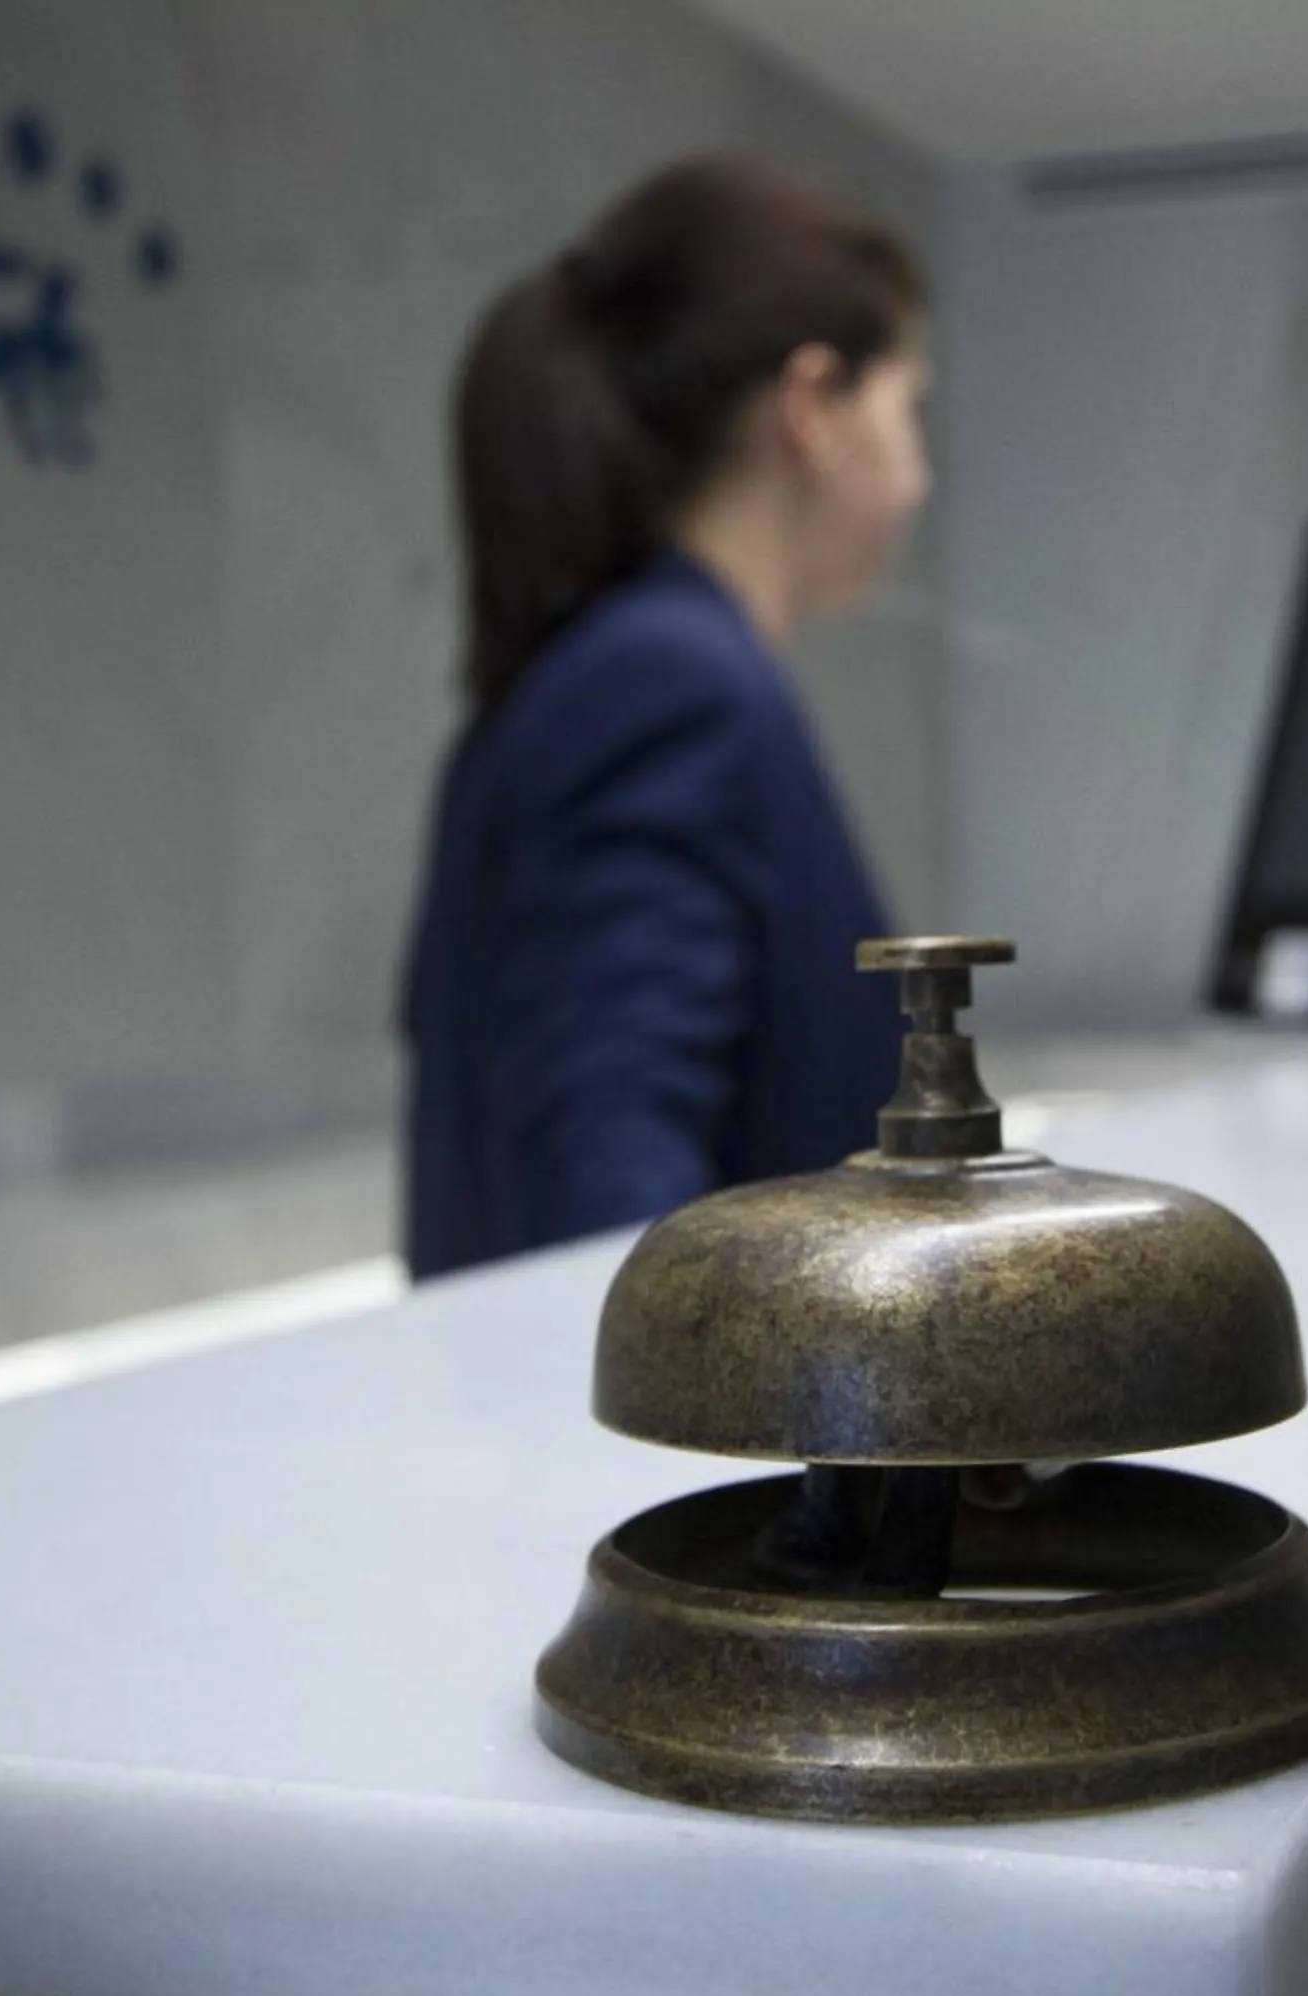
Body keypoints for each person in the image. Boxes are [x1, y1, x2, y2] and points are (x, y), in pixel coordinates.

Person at [395, 155, 931, 1280]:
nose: (918, 475)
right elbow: (608, 1183)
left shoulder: (605, 670)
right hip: (660, 1447)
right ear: (810, 407)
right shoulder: (666, 686)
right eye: (906, 408)